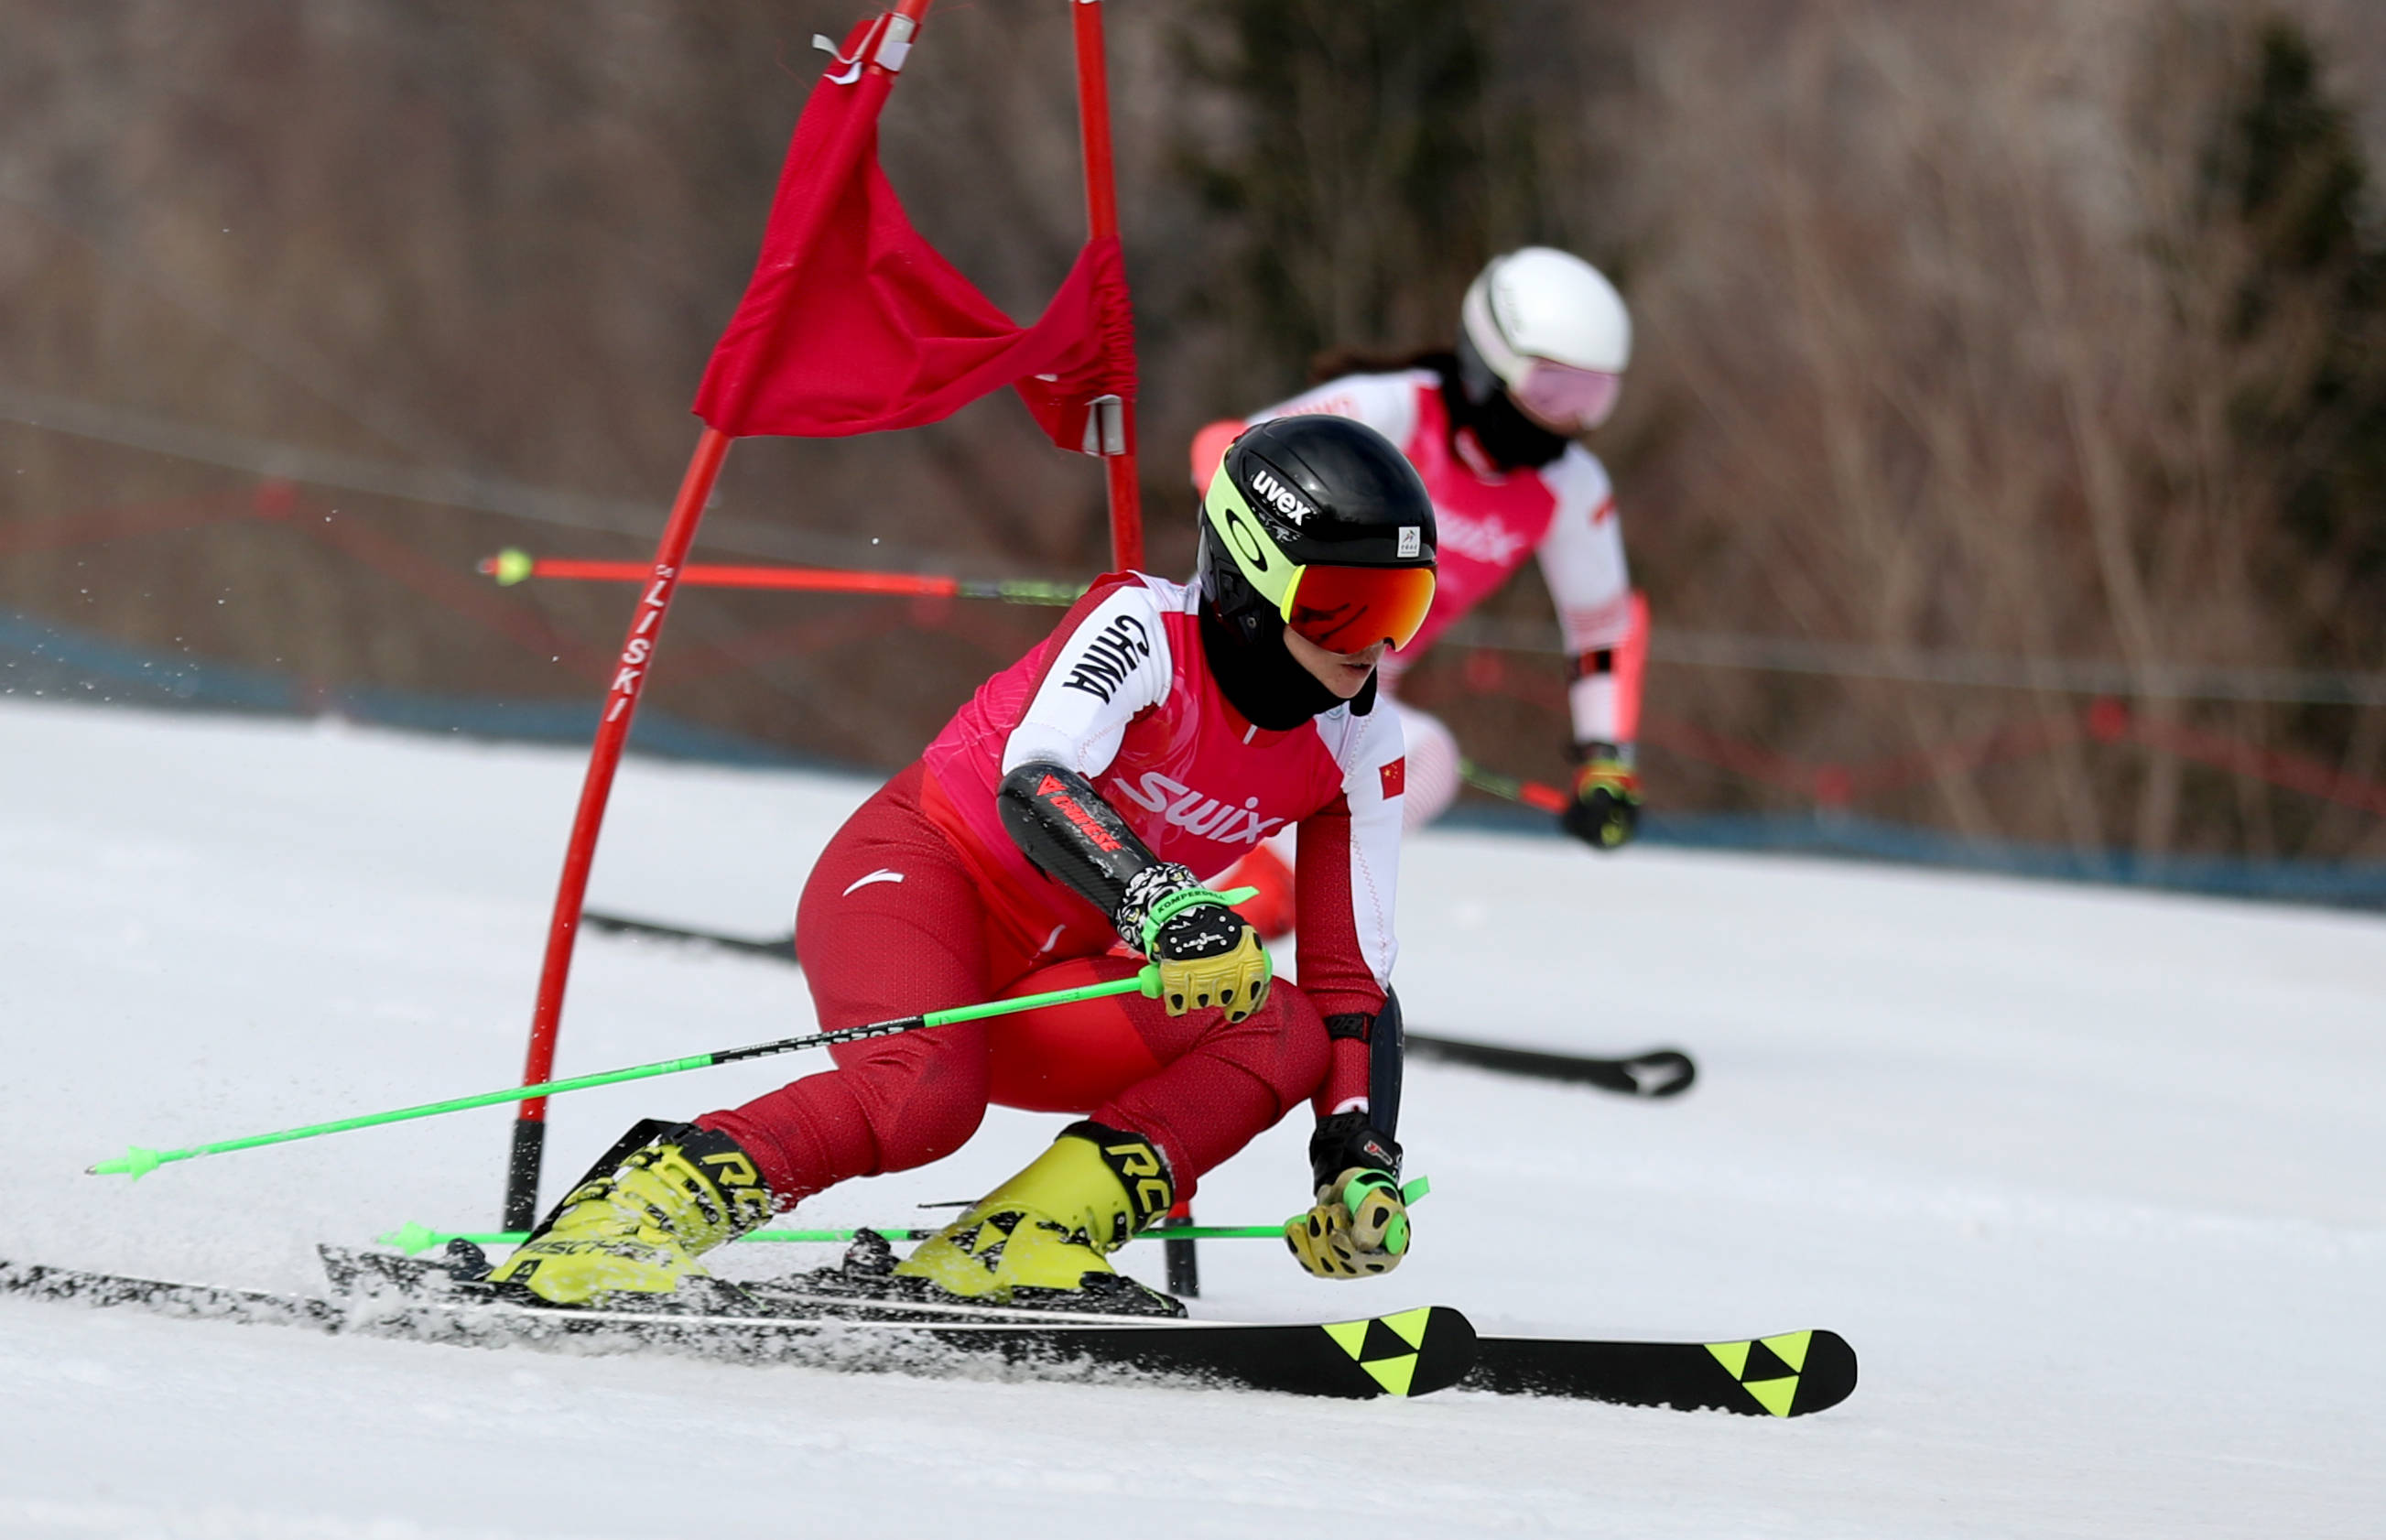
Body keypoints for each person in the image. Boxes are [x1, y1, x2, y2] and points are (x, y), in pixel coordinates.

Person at [487, 415, 1437, 1316]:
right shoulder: (1143, 625)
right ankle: (630, 1214)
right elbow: (1038, 778)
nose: (1373, 646)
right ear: (1250, 579)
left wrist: (1355, 1151)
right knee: (920, 1098)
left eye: (1401, 607)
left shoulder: (1359, 741)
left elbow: (1350, 980)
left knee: (1281, 1029)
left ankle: (1017, 1241)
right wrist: (1162, 905)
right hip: (918, 874)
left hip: (1055, 969)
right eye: (1340, 608)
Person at [1191, 247, 1647, 935]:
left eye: (1593, 398)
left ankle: (1244, 920)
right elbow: (1227, 448)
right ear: (1492, 360)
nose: (1567, 421)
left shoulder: (1570, 488)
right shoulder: (1397, 410)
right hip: (1247, 645)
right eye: (1552, 390)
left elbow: (1602, 630)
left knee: (1426, 760)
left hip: (1351, 684)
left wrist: (1605, 759)